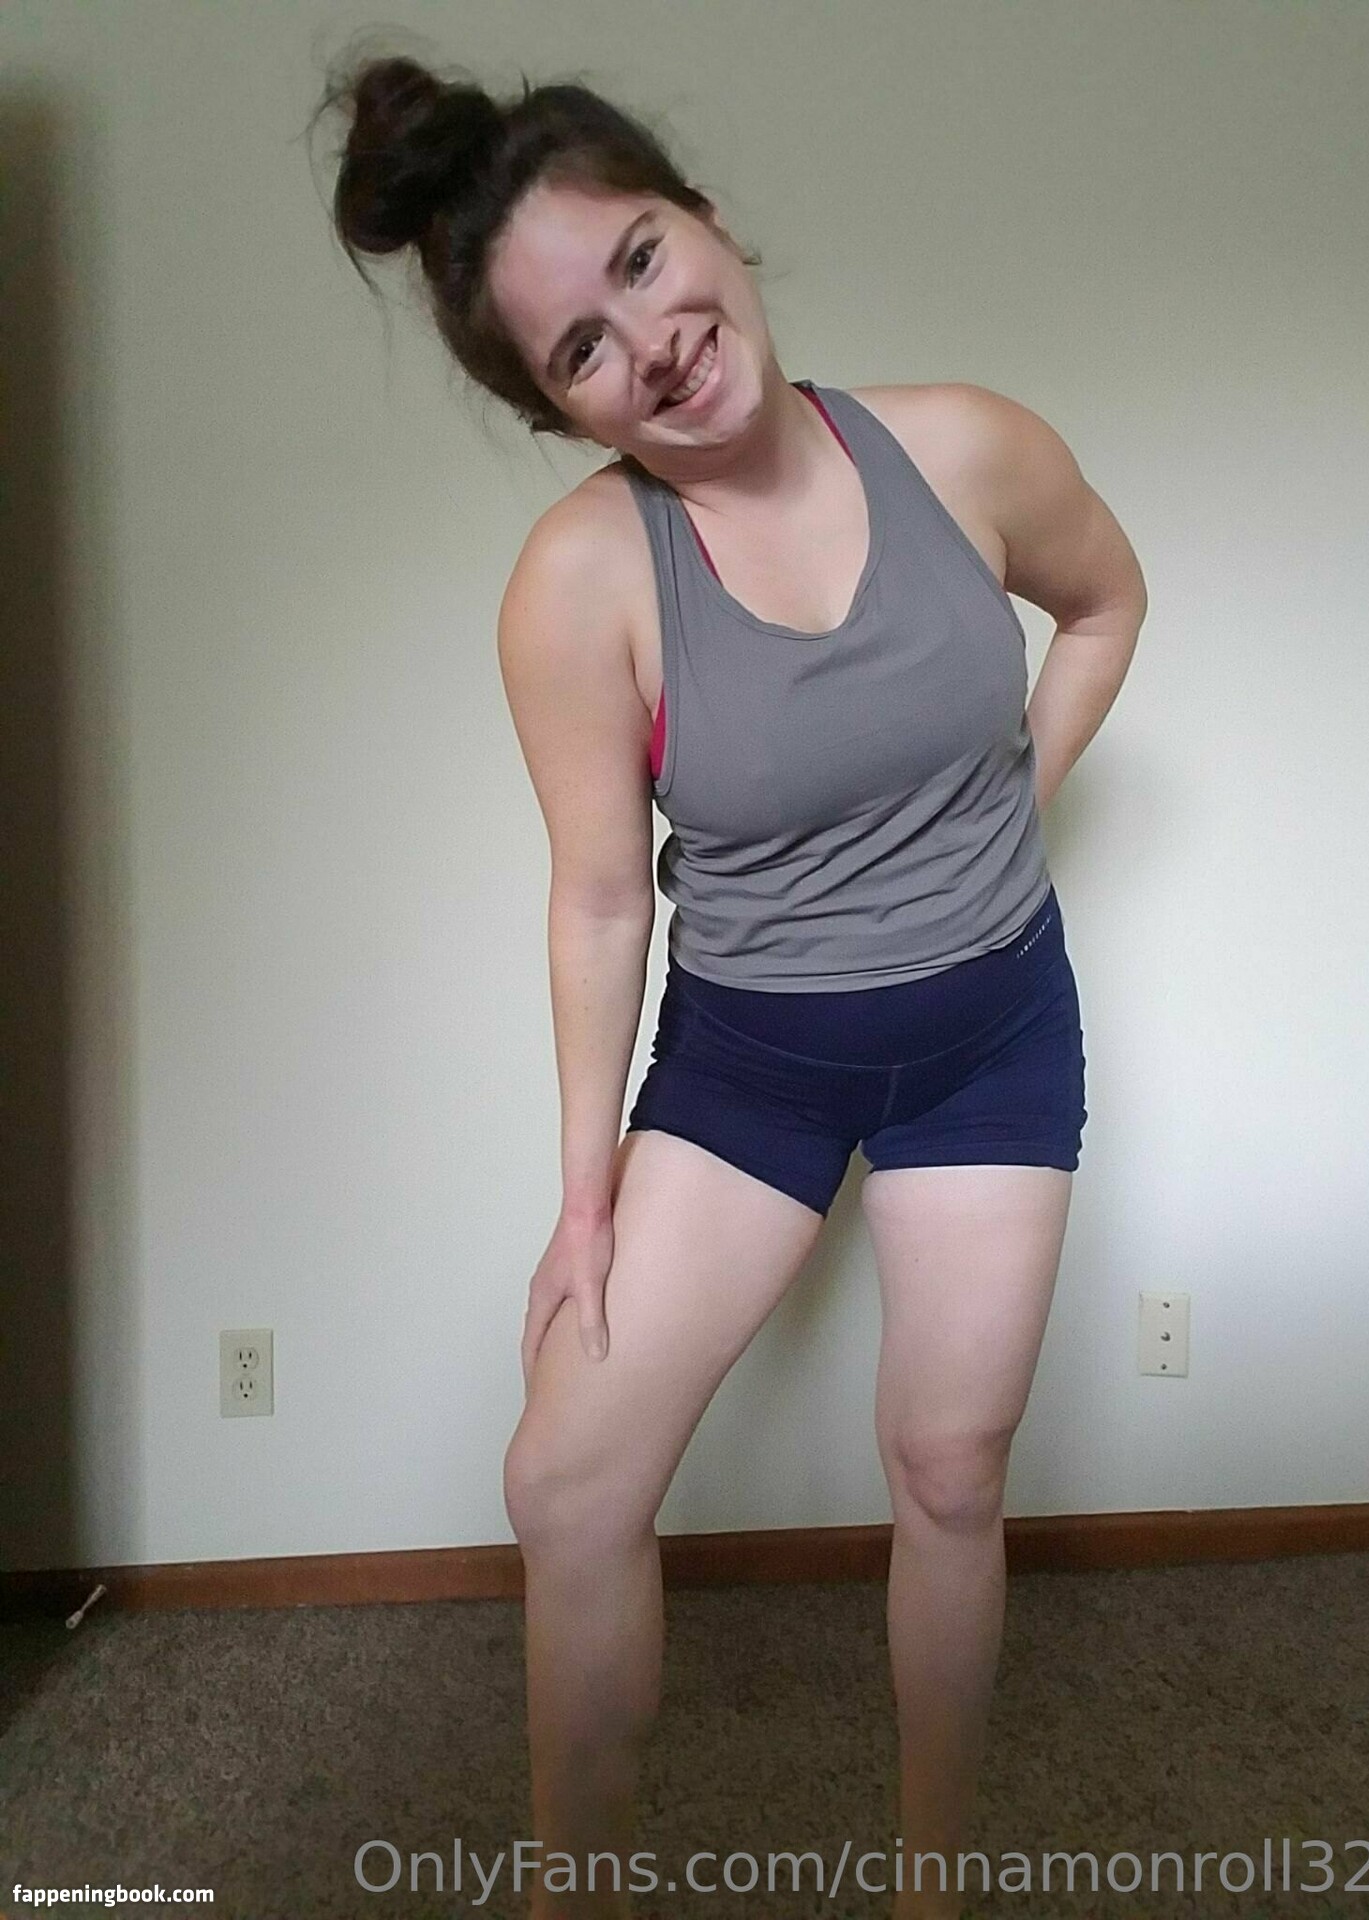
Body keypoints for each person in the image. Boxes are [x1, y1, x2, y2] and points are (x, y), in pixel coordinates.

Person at [315, 44, 1147, 1920]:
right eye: (581, 351)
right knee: (566, 1484)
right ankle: (578, 1889)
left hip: (992, 1038)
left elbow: (1107, 602)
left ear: (698, 215)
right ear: (558, 412)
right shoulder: (581, 583)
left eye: (639, 259)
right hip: (751, 1065)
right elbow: (602, 903)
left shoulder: (966, 449)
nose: (654, 343)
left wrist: (1010, 801)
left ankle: (934, 1881)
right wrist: (584, 1198)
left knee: (949, 1469)